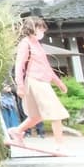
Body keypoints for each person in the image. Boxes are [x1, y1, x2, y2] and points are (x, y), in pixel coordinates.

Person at [9, 16, 69, 150]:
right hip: (34, 81)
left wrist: (58, 82)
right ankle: (59, 144)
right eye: (40, 28)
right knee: (55, 111)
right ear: (32, 28)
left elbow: (46, 67)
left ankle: (17, 131)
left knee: (36, 116)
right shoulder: (26, 43)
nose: (42, 31)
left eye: (43, 28)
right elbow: (19, 65)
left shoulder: (37, 45)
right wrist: (19, 85)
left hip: (42, 81)